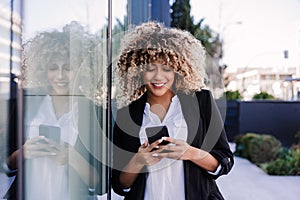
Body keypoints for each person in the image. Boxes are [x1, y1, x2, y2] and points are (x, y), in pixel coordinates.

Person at [112, 21, 234, 200]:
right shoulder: (127, 114)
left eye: (166, 68)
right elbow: (120, 184)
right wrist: (138, 161)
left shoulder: (202, 102)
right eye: (150, 68)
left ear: (178, 69)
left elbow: (225, 160)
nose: (158, 77)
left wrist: (191, 153)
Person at [3, 21, 106, 200]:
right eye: (53, 68)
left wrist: (72, 158)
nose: (60, 76)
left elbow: (101, 184)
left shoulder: (94, 113)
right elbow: (5, 164)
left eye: (68, 68)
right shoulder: (25, 103)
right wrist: (24, 153)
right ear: (44, 70)